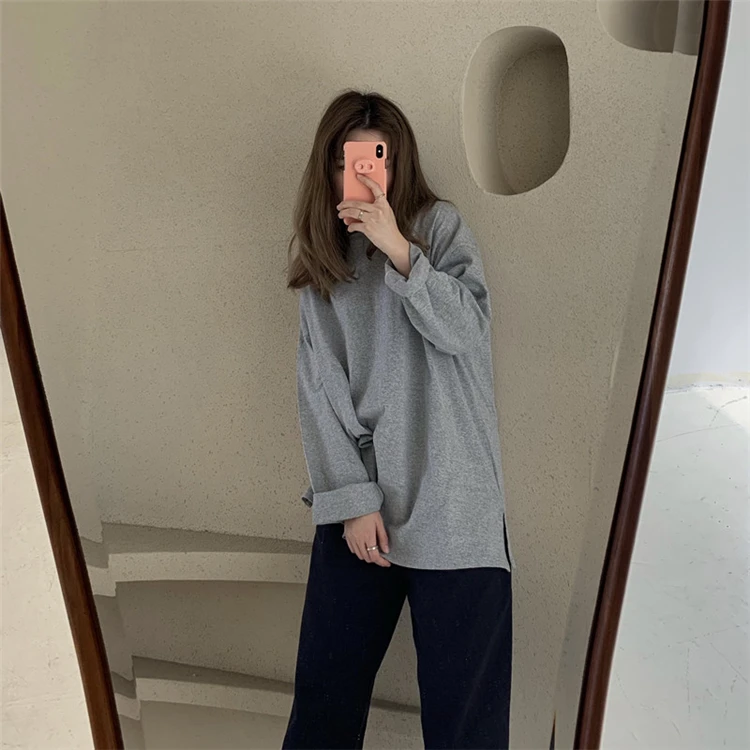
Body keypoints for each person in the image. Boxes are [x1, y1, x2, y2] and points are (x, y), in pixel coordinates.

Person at [284, 90, 513, 750]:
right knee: (322, 710)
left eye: (374, 157)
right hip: (364, 509)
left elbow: (466, 334)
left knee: (466, 728)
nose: (360, 172)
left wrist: (400, 251)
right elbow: (319, 389)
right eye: (345, 160)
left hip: (455, 505)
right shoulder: (324, 261)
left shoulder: (439, 229)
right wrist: (353, 502)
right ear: (327, 169)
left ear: (396, 160)